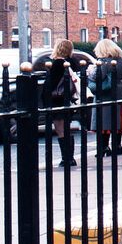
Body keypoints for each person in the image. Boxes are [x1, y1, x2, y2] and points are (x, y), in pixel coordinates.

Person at [43, 39, 80, 167]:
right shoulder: (72, 62)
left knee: (60, 129)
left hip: (57, 99)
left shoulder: (58, 63)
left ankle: (67, 158)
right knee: (66, 129)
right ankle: (70, 157)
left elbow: (51, 84)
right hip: (68, 99)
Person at [90, 39, 122, 157]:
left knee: (104, 123)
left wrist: (90, 72)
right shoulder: (121, 61)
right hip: (119, 93)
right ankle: (117, 146)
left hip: (105, 95)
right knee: (117, 122)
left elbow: (97, 77)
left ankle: (103, 147)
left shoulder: (103, 62)